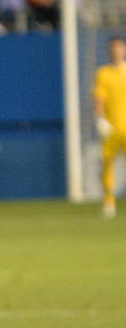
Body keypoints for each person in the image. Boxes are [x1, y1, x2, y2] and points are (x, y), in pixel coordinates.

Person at [94, 37, 126, 219]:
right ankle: (109, 202)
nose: (117, 51)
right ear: (110, 51)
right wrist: (100, 119)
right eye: (114, 48)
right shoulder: (103, 73)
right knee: (107, 164)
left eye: (120, 47)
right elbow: (99, 98)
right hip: (111, 128)